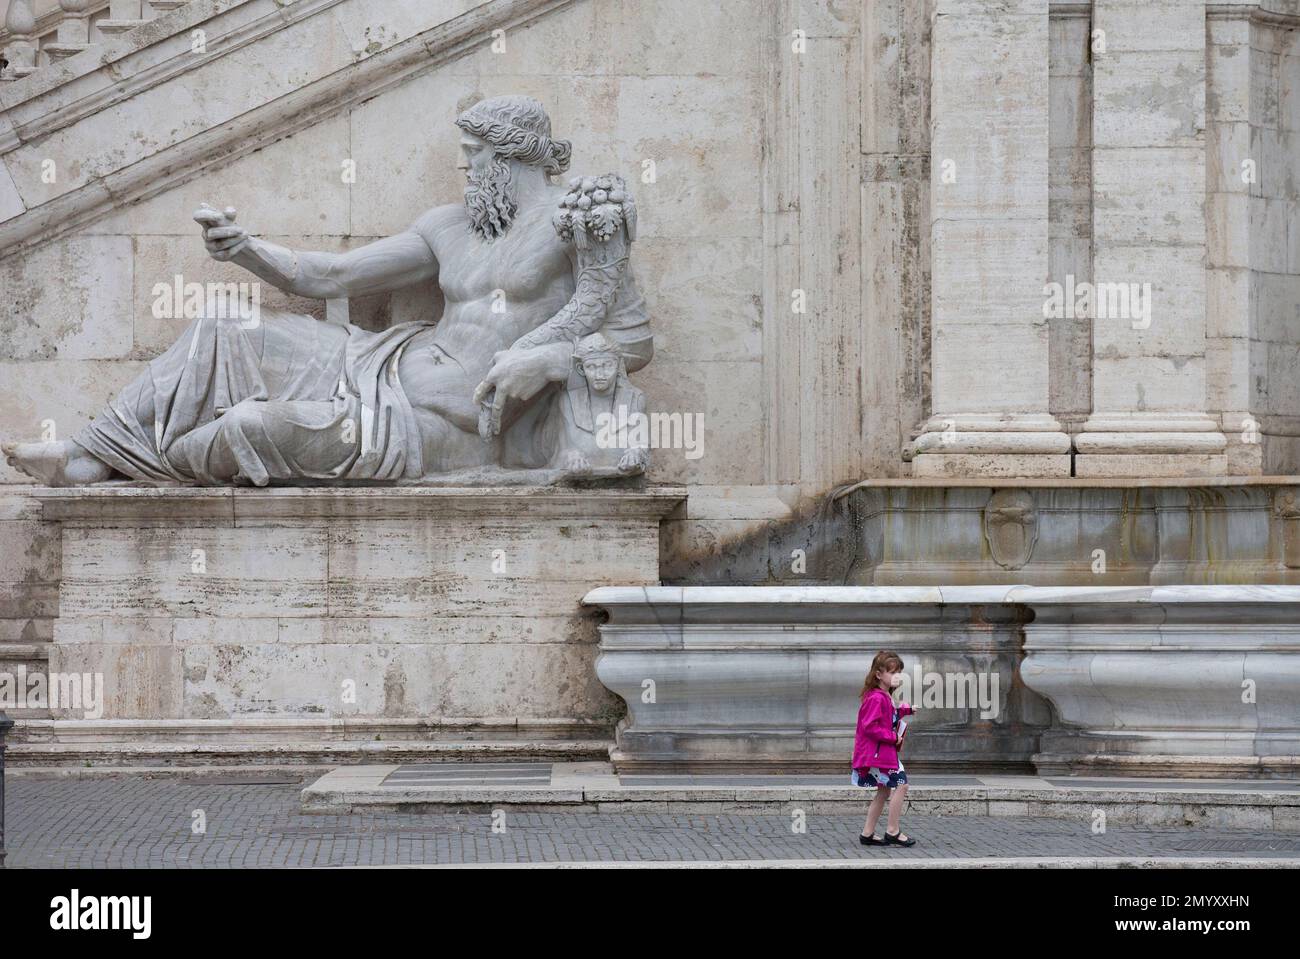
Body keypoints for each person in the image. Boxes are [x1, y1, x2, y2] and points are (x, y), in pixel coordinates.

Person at [852, 650, 918, 847]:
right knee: (901, 785)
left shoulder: (881, 696)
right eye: (892, 672)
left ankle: (868, 833)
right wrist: (893, 737)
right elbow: (870, 726)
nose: (897, 676)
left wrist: (905, 710)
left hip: (880, 754)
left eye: (899, 672)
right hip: (879, 754)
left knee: (884, 791)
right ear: (878, 674)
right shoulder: (877, 698)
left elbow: (886, 718)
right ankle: (892, 830)